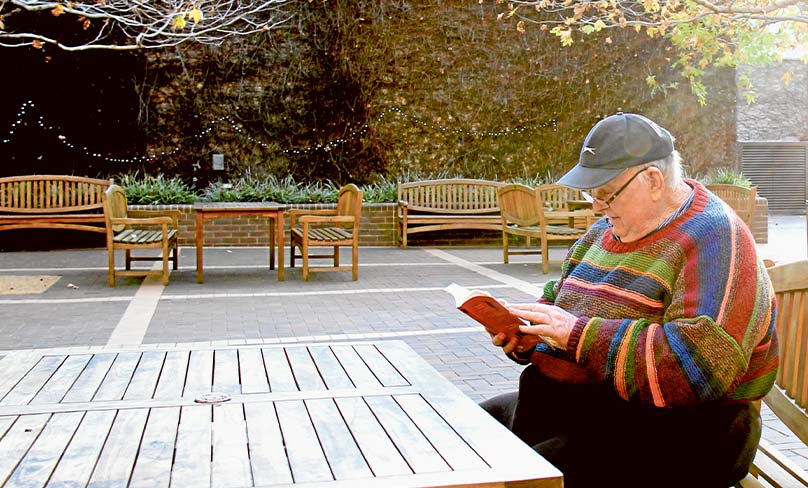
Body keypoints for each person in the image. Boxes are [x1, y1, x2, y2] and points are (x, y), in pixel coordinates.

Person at [480, 112, 779, 488]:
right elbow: (559, 301)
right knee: (469, 432)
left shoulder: (715, 237)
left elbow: (700, 367)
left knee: (521, 475)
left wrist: (577, 336)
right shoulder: (603, 231)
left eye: (606, 194)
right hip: (580, 406)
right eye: (594, 195)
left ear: (653, 180)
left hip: (680, 428)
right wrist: (528, 333)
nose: (597, 207)